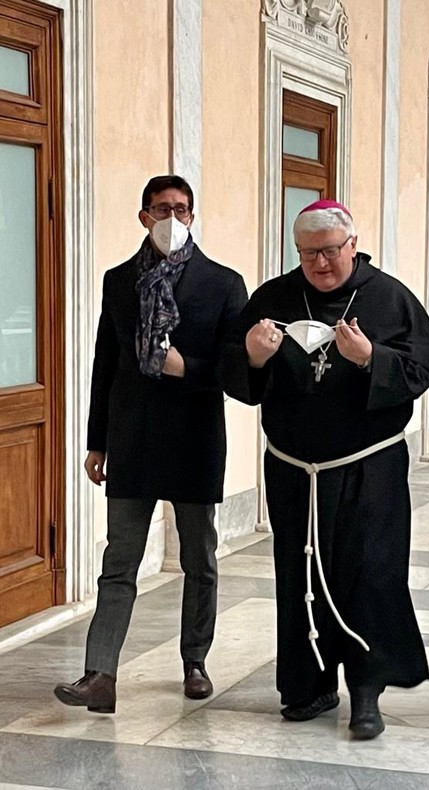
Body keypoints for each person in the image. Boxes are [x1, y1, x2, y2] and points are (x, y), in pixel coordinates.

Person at [219, 199, 429, 740]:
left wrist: (373, 359)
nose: (319, 264)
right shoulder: (273, 299)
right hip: (295, 469)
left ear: (352, 245)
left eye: (328, 251)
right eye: (307, 254)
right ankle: (308, 685)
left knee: (368, 574)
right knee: (299, 574)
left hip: (368, 466)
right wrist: (252, 357)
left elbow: (427, 366)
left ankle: (366, 693)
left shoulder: (388, 298)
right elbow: (231, 371)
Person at [54, 175, 248, 714]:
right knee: (120, 560)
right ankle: (100, 674)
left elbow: (237, 370)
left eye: (181, 208)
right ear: (143, 216)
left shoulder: (223, 284)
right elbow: (105, 364)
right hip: (132, 437)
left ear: (193, 215)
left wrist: (187, 368)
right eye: (161, 208)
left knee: (198, 558)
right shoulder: (119, 280)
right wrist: (97, 442)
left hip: (194, 438)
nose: (172, 217)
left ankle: (194, 661)